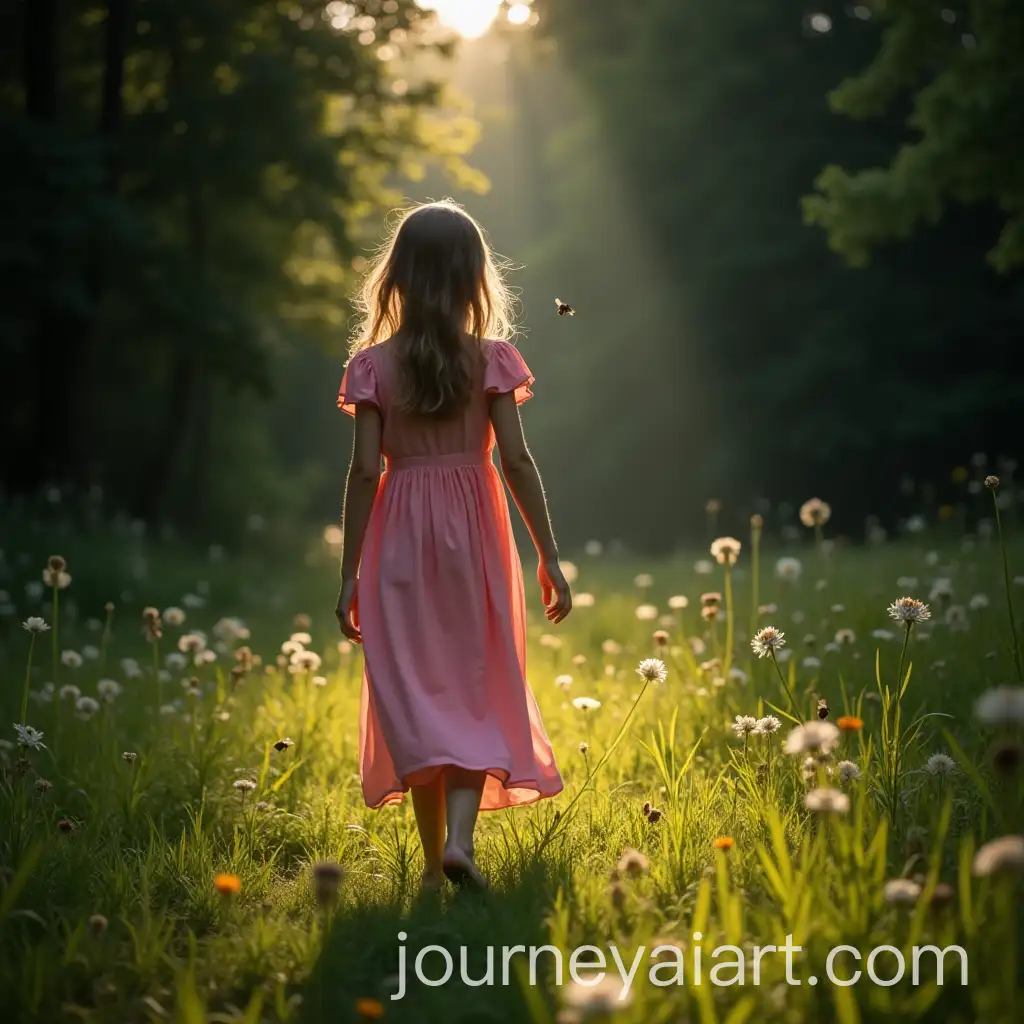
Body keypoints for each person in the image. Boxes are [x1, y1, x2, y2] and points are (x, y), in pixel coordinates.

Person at [334, 200, 571, 891]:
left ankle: (435, 871)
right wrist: (548, 555)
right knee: (473, 682)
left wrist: (349, 573)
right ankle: (460, 843)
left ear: (398, 276)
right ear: (474, 278)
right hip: (475, 535)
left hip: (398, 538)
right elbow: (517, 462)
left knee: (414, 694)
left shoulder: (372, 366)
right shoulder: (493, 360)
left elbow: (363, 471)